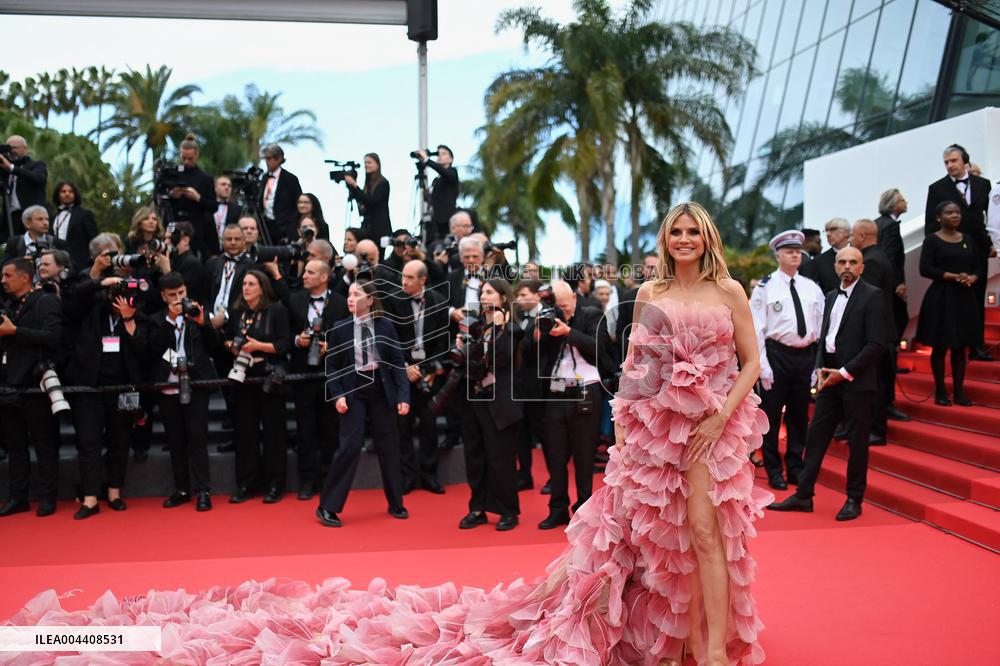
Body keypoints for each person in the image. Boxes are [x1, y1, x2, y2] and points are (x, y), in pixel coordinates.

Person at [769, 247, 889, 522]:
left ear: (861, 267)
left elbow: (877, 344)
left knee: (857, 442)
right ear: (835, 266)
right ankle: (803, 494)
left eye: (853, 262)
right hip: (829, 379)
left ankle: (853, 498)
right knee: (816, 436)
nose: (847, 266)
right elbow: (825, 338)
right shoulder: (831, 296)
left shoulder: (873, 296)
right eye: (842, 261)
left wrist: (845, 372)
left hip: (857, 381)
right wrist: (821, 368)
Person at [317, 279, 410, 527]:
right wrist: (338, 395)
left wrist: (403, 396)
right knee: (350, 446)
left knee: (389, 447)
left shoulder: (386, 326)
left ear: (369, 300)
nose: (350, 298)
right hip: (353, 390)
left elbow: (397, 363)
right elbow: (333, 367)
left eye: (357, 294)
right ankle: (328, 506)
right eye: (349, 294)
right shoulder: (339, 328)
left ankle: (396, 502)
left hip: (381, 389)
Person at [526, 280, 611, 530]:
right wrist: (538, 334)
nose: (561, 309)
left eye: (564, 304)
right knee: (555, 455)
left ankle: (584, 512)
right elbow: (530, 354)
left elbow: (600, 346)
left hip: (586, 390)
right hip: (556, 391)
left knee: (584, 457)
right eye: (557, 305)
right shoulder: (547, 315)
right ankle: (558, 509)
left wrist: (568, 332)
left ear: (574, 297)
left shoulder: (591, 313)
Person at [63, 272, 145, 519]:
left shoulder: (136, 316)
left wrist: (129, 320)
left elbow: (143, 350)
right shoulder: (90, 311)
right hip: (89, 388)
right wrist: (100, 283)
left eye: (124, 296)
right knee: (88, 443)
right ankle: (90, 498)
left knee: (120, 442)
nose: (119, 300)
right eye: (114, 295)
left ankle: (114, 492)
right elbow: (72, 298)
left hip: (122, 388)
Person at [750, 230, 824, 490]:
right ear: (778, 255)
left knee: (799, 415)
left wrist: (818, 363)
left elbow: (820, 326)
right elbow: (756, 328)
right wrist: (763, 365)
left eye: (798, 252)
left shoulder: (811, 288)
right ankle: (773, 469)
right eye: (789, 251)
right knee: (771, 416)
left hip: (804, 355)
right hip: (776, 354)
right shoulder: (765, 288)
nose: (795, 255)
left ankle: (795, 466)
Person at [456, 279, 522, 531]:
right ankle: (477, 508)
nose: (484, 296)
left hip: (501, 402)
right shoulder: (474, 326)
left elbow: (503, 358)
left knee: (501, 458)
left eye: (490, 292)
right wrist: (462, 346)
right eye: (482, 292)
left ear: (504, 298)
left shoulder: (513, 327)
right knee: (474, 456)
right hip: (474, 399)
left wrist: (498, 330)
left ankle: (508, 511)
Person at [149, 272, 218, 512]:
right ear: (163, 297)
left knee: (197, 437)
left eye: (181, 293)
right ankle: (181, 489)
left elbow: (215, 347)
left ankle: (203, 491)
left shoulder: (198, 314)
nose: (178, 299)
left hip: (197, 385)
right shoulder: (157, 319)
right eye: (172, 295)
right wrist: (169, 319)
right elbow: (151, 349)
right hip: (167, 386)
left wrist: (202, 322)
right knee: (175, 440)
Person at [223, 269, 292, 504]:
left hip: (269, 377)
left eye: (252, 284)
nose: (246, 288)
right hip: (243, 378)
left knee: (274, 434)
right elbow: (231, 339)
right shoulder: (238, 313)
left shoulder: (277, 310)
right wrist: (233, 345)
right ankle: (246, 483)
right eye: (244, 283)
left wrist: (259, 346)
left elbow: (284, 345)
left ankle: (275, 484)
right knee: (245, 433)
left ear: (262, 287)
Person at [0, 258, 62, 518]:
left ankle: (48, 498)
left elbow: (54, 337)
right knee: (15, 447)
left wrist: (16, 331)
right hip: (8, 385)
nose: (2, 280)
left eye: (7, 275)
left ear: (25, 277)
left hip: (36, 386)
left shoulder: (45, 301)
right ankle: (19, 497)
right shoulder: (8, 305)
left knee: (44, 445)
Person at [385, 259, 450, 495]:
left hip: (428, 372)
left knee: (429, 425)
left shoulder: (440, 302)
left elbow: (444, 341)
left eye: (410, 278)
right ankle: (406, 476)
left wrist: (431, 369)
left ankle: (429, 475)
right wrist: (403, 367)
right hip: (401, 372)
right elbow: (388, 339)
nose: (404, 281)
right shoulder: (392, 300)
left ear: (423, 280)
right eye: (403, 276)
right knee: (402, 425)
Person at [924, 144, 994, 361]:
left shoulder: (984, 184)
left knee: (977, 297)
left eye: (954, 161)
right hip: (951, 253)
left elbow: (990, 216)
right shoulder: (937, 188)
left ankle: (976, 345)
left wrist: (992, 242)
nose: (950, 165)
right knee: (954, 301)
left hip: (978, 250)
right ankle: (955, 343)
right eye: (946, 162)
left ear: (965, 161)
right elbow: (930, 224)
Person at [288, 260, 349, 500]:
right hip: (302, 375)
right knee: (305, 431)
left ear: (324, 277)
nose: (304, 275)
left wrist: (331, 346)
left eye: (311, 272)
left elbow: (350, 338)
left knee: (330, 430)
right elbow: (285, 335)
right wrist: (297, 340)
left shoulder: (342, 304)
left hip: (331, 376)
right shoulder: (294, 301)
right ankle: (306, 480)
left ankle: (328, 479)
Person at [916, 201, 983, 406]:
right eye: (949, 212)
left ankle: (959, 392)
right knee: (940, 346)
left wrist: (973, 278)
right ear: (939, 217)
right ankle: (941, 391)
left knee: (960, 347)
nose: (955, 215)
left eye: (957, 212)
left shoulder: (968, 240)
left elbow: (978, 266)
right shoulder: (932, 241)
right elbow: (925, 269)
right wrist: (953, 276)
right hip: (942, 297)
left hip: (965, 297)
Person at [850, 218, 904, 443]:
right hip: (885, 331)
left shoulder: (871, 261)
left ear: (862, 236)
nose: (851, 239)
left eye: (853, 235)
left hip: (877, 334)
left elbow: (868, 303)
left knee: (878, 383)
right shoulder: (881, 256)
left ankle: (877, 429)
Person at [512, 280, 546, 491]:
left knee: (544, 434)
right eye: (518, 295)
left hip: (540, 385)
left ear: (537, 295)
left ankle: (554, 477)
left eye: (524, 295)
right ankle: (524, 475)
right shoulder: (516, 316)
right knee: (521, 434)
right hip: (519, 385)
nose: (519, 299)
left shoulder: (547, 316)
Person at [168, 134, 218, 257]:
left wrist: (198, 198)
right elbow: (159, 198)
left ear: (196, 155)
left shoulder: (205, 178)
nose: (186, 162)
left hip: (196, 228)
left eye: (190, 159)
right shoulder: (171, 174)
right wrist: (172, 195)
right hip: (173, 222)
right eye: (183, 158)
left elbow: (213, 206)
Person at [875, 188, 909, 341]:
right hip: (890, 285)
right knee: (899, 320)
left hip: (880, 283)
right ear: (894, 205)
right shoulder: (890, 226)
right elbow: (890, 257)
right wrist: (898, 283)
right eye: (902, 200)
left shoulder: (878, 223)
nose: (906, 202)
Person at [0, 135, 47, 241]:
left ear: (25, 148)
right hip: (11, 217)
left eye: (13, 148)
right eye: (8, 149)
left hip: (31, 215)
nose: (11, 151)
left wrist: (11, 168)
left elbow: (38, 179)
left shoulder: (37, 165)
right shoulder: (5, 170)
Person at [344, 153, 391, 249]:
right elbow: (362, 200)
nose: (366, 165)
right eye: (365, 163)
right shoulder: (368, 184)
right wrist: (351, 187)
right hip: (367, 228)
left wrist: (355, 186)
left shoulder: (383, 183)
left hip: (379, 230)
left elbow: (370, 201)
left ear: (377, 164)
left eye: (369, 162)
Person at [259, 143, 303, 243]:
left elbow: (298, 203)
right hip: (266, 228)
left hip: (284, 229)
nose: (267, 162)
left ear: (278, 159)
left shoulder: (290, 179)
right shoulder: (264, 178)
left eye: (269, 158)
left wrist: (291, 226)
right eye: (265, 158)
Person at [49, 181, 98, 270]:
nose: (67, 194)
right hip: (57, 264)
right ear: (58, 195)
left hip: (80, 264)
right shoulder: (53, 217)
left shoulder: (84, 214)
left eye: (70, 191)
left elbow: (94, 239)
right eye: (63, 191)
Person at [416, 145, 459, 242]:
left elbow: (444, 172)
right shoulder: (436, 180)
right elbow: (429, 199)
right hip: (436, 220)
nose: (439, 156)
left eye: (443, 154)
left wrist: (427, 159)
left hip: (448, 219)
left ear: (450, 159)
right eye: (438, 154)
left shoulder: (452, 172)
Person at [814, 217, 850, 293]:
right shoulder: (819, 261)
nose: (828, 234)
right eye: (826, 231)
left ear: (846, 232)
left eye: (833, 230)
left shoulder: (860, 255)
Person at [211, 175, 242, 253]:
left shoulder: (237, 210)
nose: (227, 187)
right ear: (215, 188)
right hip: (209, 253)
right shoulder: (207, 207)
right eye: (223, 184)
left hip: (230, 250)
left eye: (229, 185)